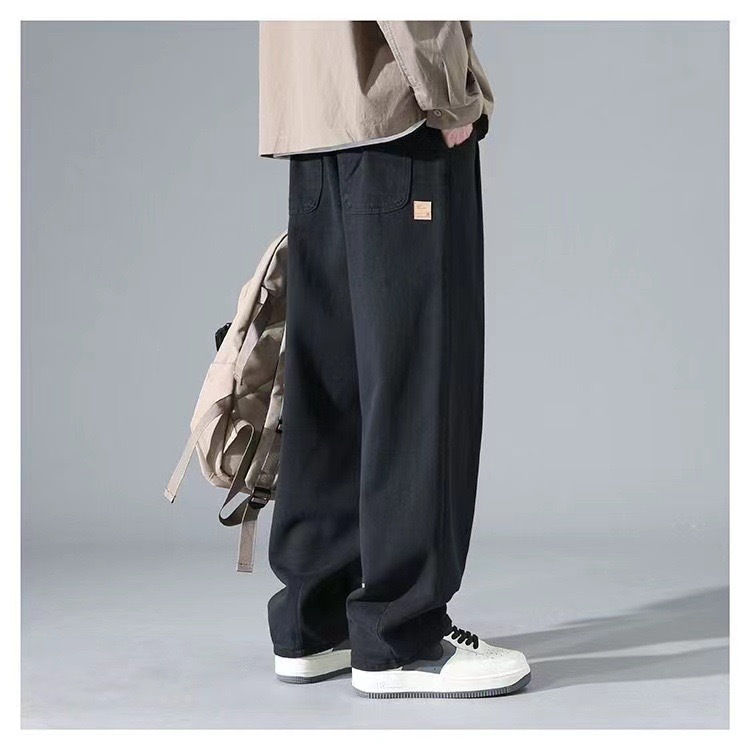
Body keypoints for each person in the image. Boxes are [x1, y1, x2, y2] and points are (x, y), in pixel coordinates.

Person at [257, 20, 531, 699]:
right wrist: (449, 95)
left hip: (312, 113)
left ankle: (316, 619)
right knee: (418, 377)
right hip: (397, 110)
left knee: (329, 379)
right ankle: (402, 634)